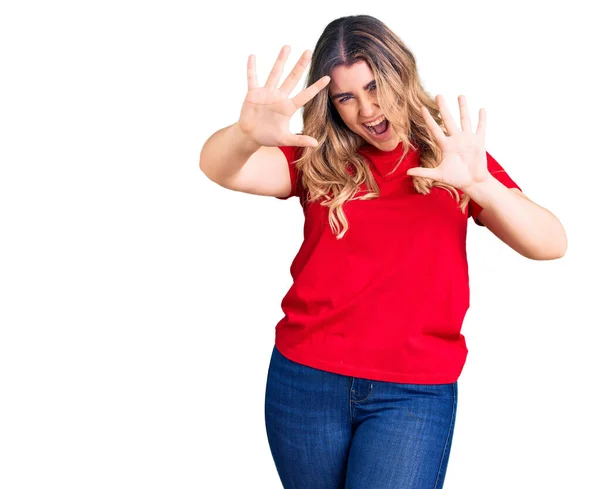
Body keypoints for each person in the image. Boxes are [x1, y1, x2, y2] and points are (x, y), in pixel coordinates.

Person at [199, 14, 567, 489]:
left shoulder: (451, 160)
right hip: (305, 382)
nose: (367, 110)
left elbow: (551, 244)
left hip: (412, 392)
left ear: (401, 77)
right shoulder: (317, 158)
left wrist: (483, 186)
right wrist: (244, 135)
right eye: (345, 97)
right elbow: (220, 169)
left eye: (375, 87)